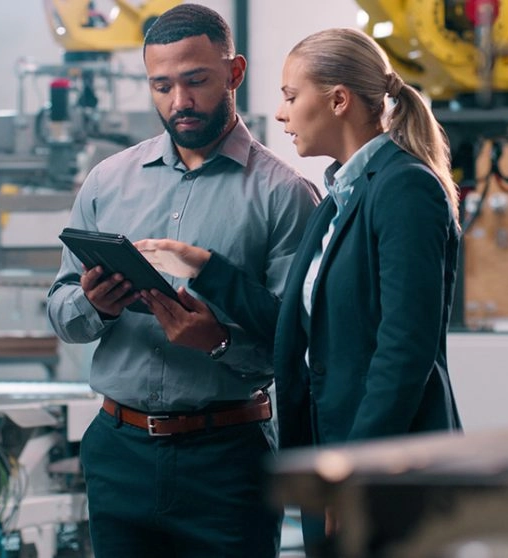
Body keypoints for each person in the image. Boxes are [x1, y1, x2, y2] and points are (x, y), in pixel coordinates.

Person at [137, 27, 463, 553]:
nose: (281, 114)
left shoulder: (404, 188)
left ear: (338, 100)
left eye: (291, 96)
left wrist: (352, 473)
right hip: (332, 454)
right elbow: (293, 323)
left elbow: (404, 351)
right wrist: (203, 267)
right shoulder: (339, 195)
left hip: (383, 465)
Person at [46, 5, 320, 558]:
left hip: (227, 460)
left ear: (235, 73)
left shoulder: (285, 195)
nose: (180, 102)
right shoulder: (107, 181)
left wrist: (218, 342)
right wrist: (95, 306)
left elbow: (299, 341)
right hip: (117, 452)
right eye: (162, 85)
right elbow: (59, 307)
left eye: (196, 81)